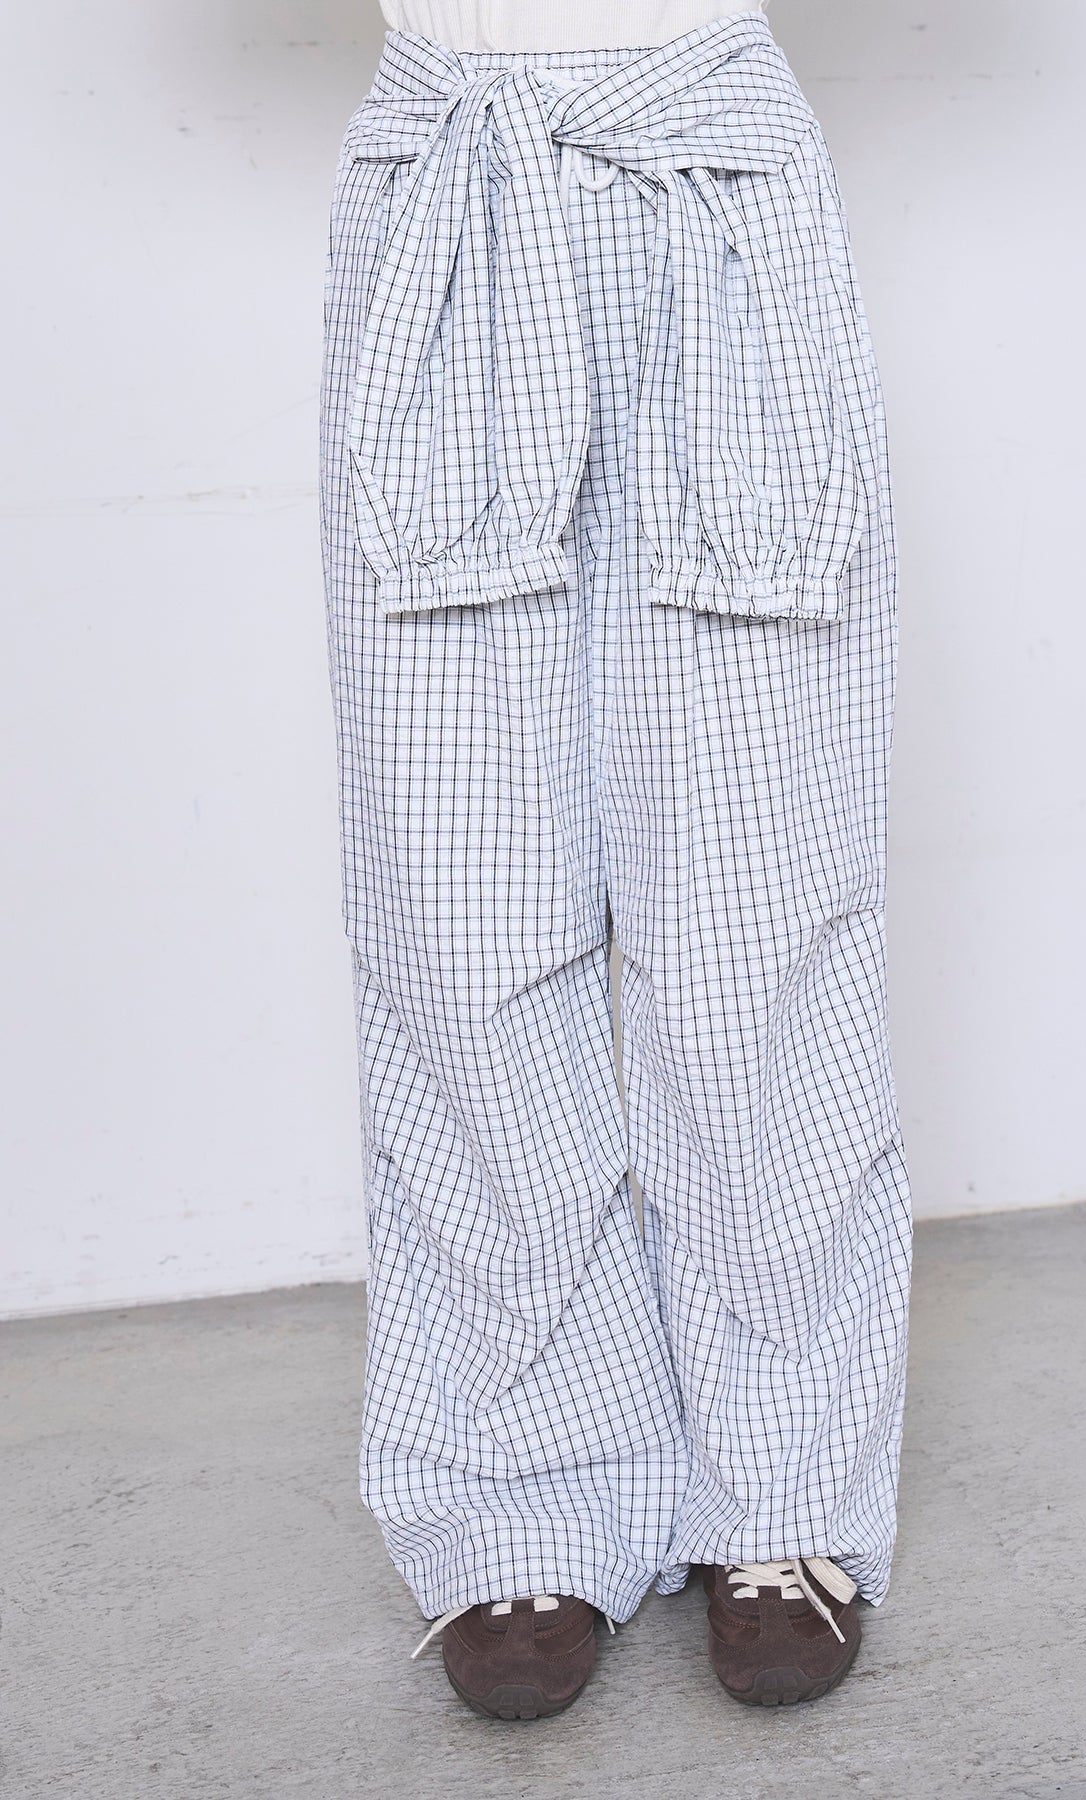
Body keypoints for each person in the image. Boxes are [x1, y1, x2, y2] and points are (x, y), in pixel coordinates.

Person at [317, 0, 913, 1719]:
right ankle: (521, 1488)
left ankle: (781, 1492)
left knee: (755, 923)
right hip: (447, 169)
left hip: (711, 164)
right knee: (461, 921)